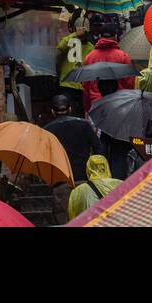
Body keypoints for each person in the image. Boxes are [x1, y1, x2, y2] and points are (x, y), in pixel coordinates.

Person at [43, 93, 102, 221]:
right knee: (87, 220)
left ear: (53, 111)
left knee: (65, 220)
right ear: (70, 109)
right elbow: (99, 150)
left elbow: (44, 158)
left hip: (60, 182)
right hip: (84, 180)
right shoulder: (84, 125)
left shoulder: (47, 130)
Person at [80, 20, 136, 111]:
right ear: (116, 36)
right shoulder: (123, 57)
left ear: (99, 36)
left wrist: (87, 108)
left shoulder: (90, 57)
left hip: (96, 105)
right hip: (119, 105)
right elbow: (129, 85)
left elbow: (86, 88)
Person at [66, 154, 122, 221]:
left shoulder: (78, 190)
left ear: (88, 169)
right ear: (107, 167)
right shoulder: (121, 184)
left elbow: (72, 216)